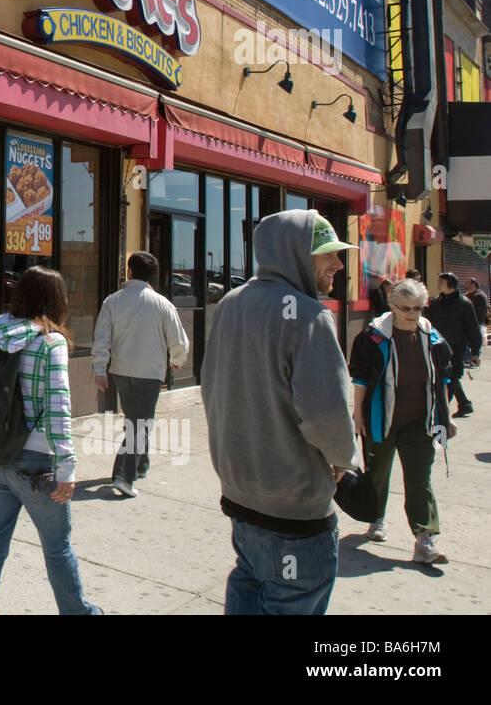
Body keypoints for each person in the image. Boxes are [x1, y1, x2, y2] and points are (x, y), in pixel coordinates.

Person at [200, 210, 357, 615]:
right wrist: (344, 461)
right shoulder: (310, 316)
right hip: (294, 511)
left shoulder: (231, 304)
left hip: (240, 497)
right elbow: (327, 415)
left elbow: (211, 388)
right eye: (327, 255)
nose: (338, 265)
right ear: (296, 255)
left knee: (249, 581)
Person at [0, 266, 101, 616]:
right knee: (57, 549)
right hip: (35, 464)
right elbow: (57, 405)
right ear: (57, 301)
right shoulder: (51, 342)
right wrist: (67, 464)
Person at [348, 278, 456, 564]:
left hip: (419, 423)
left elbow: (442, 381)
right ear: (392, 306)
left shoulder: (433, 339)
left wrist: (445, 418)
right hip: (380, 419)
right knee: (377, 474)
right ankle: (376, 518)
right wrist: (357, 414)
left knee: (420, 480)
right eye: (406, 308)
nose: (413, 313)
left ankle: (424, 539)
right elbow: (359, 378)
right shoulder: (373, 337)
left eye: (419, 307)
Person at [91, 250, 190, 498]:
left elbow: (102, 338)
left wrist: (99, 368)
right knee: (140, 423)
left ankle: (140, 465)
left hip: (121, 371)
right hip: (150, 372)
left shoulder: (112, 301)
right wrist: (177, 360)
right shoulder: (162, 304)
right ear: (152, 275)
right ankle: (124, 476)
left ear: (130, 271)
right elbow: (179, 340)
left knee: (135, 420)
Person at [425, 273, 480, 418]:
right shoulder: (435, 302)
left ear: (450, 284)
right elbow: (427, 324)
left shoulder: (464, 303)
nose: (438, 284)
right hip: (437, 347)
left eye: (441, 282)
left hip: (457, 348)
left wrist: (476, 352)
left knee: (452, 377)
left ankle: (441, 411)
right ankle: (465, 404)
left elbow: (473, 329)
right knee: (446, 377)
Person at [465, 279, 488, 366]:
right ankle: (467, 359)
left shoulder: (480, 296)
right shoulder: (467, 295)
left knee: (474, 343)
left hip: (476, 324)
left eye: (467, 282)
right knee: (467, 343)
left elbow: (481, 313)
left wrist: (475, 324)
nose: (465, 284)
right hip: (468, 324)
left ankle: (473, 359)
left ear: (473, 285)